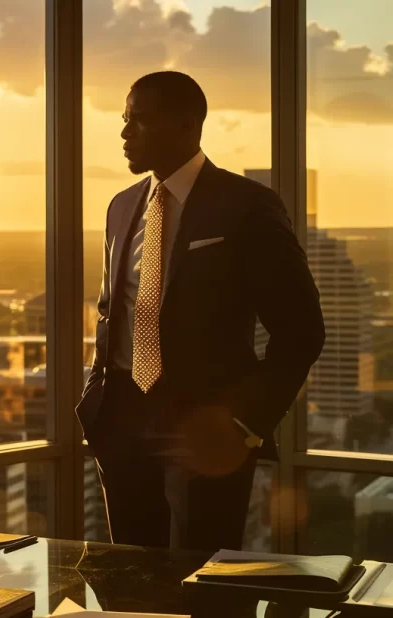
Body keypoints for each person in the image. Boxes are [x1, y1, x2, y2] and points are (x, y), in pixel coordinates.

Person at [77, 71, 325, 552]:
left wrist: (245, 423)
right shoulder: (121, 207)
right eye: (125, 120)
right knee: (130, 577)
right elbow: (114, 312)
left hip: (209, 426)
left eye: (139, 121)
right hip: (123, 419)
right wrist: (98, 400)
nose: (125, 134)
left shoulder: (247, 205)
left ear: (187, 125)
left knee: (204, 578)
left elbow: (301, 330)